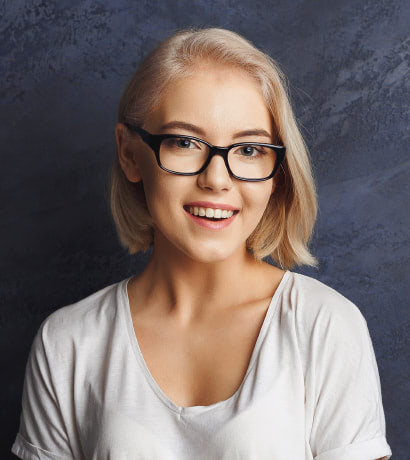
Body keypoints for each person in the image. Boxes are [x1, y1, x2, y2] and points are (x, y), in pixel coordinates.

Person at [12, 27, 392, 460]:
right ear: (129, 154)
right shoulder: (68, 343)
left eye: (249, 149)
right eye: (184, 142)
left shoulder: (325, 326)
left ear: (278, 172)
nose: (216, 179)